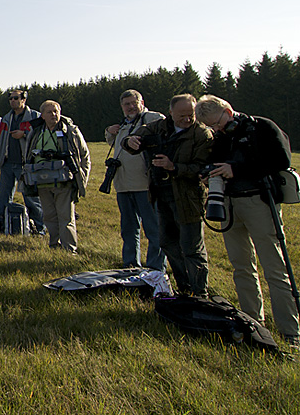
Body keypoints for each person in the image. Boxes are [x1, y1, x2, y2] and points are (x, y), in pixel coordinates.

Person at [196, 95, 299, 346]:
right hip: (230, 204)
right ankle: (253, 322)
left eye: (218, 124)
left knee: (274, 268)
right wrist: (209, 174)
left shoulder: (262, 127)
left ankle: (290, 331)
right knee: (241, 266)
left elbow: (281, 161)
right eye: (212, 128)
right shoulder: (221, 137)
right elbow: (214, 162)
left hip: (259, 202)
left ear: (228, 111)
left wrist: (237, 169)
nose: (217, 130)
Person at [123, 94, 212, 297]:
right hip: (162, 196)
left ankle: (200, 293)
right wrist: (132, 141)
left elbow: (202, 168)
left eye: (191, 115)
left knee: (192, 248)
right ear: (171, 113)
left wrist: (174, 167)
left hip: (189, 198)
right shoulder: (158, 127)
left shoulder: (201, 134)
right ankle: (184, 287)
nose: (187, 119)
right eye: (182, 115)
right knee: (168, 243)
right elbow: (132, 140)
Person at [104, 89, 166, 270]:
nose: (131, 107)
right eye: (126, 104)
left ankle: (156, 269)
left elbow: (164, 134)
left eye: (134, 102)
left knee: (154, 230)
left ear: (142, 102)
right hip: (123, 186)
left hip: (146, 186)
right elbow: (112, 142)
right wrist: (109, 130)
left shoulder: (152, 119)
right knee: (129, 231)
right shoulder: (123, 125)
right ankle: (130, 266)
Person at [23, 100, 90, 253]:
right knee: (49, 217)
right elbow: (28, 155)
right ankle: (54, 246)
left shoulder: (70, 131)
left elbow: (84, 156)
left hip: (64, 182)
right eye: (49, 112)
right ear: (42, 116)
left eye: (56, 111)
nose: (54, 114)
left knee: (66, 218)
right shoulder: (36, 132)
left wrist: (82, 178)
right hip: (42, 183)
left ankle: (69, 250)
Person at [0, 89, 43, 233]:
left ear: (24, 100)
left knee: (31, 198)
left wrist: (24, 134)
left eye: (16, 98)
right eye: (10, 98)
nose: (13, 101)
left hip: (25, 165)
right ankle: (2, 223)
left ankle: (39, 227)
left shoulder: (34, 117)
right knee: (3, 196)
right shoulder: (6, 118)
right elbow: (0, 139)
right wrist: (0, 155)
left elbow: (39, 137)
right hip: (8, 163)